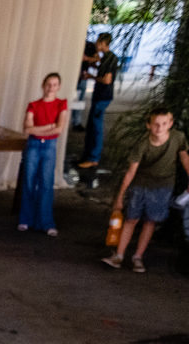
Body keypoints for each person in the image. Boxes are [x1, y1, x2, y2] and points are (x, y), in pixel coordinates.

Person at [102, 107, 189, 273]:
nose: (160, 128)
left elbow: (184, 157)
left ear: (171, 124)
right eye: (156, 124)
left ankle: (137, 257)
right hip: (140, 184)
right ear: (148, 125)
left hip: (163, 186)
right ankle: (119, 256)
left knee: (150, 221)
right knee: (131, 219)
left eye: (164, 123)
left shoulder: (178, 137)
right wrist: (119, 197)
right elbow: (130, 172)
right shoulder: (142, 144)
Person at [18, 74, 69, 236]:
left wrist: (37, 130)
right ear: (43, 85)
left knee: (46, 184)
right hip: (33, 145)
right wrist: (49, 126)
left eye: (55, 84)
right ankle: (25, 219)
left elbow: (59, 129)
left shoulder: (61, 104)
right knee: (29, 182)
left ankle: (46, 222)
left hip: (49, 146)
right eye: (48, 84)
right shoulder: (33, 104)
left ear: (59, 87)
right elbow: (27, 129)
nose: (51, 87)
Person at [78, 33, 118, 169]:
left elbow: (107, 80)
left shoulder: (110, 58)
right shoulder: (105, 57)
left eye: (98, 42)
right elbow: (101, 67)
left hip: (103, 96)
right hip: (100, 96)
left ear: (103, 43)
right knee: (92, 126)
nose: (96, 44)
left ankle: (93, 158)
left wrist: (91, 77)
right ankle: (89, 155)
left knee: (96, 128)